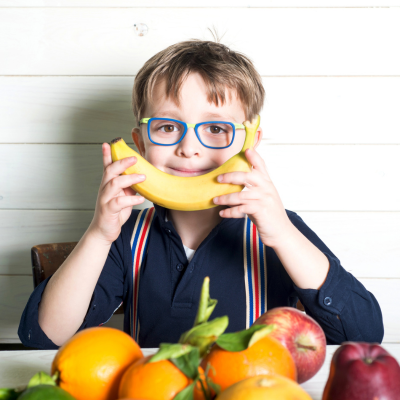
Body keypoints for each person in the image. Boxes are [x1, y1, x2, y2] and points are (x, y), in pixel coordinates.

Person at [18, 40, 384, 350]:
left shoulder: (278, 231)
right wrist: (99, 234)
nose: (189, 148)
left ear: (249, 142)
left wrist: (284, 235)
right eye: (166, 126)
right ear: (140, 144)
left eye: (215, 128)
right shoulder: (125, 237)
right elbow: (42, 339)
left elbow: (364, 336)